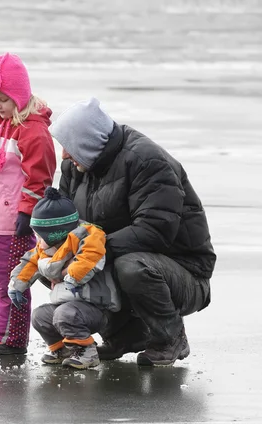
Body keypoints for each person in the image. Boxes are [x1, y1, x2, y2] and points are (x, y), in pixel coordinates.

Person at [50, 97, 216, 366]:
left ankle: (170, 338)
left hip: (184, 274)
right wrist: (57, 254)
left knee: (130, 267)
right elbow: (66, 220)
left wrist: (92, 252)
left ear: (91, 141)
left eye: (69, 147)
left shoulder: (146, 161)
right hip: (115, 257)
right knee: (55, 265)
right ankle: (125, 335)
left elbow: (155, 231)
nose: (64, 155)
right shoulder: (76, 165)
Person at [0, 53, 57, 355]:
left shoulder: (33, 130)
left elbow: (39, 178)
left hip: (11, 221)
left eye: (2, 99)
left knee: (10, 279)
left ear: (18, 95)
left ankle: (10, 337)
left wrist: (26, 211)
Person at [8, 186, 121, 369]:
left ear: (55, 230)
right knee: (40, 316)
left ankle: (87, 351)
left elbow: (90, 256)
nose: (38, 239)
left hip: (94, 306)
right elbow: (29, 263)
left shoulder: (88, 235)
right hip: (67, 304)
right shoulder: (46, 247)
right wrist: (16, 285)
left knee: (65, 314)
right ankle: (62, 349)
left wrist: (72, 276)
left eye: (40, 233)